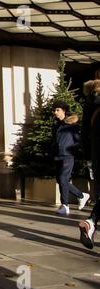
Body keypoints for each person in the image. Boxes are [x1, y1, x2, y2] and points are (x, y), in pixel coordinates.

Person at [52, 100, 90, 216]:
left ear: (63, 110)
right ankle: (82, 195)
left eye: (57, 110)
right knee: (60, 180)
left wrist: (70, 149)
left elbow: (78, 141)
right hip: (58, 156)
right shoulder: (56, 124)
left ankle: (65, 206)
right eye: (54, 110)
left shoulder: (72, 125)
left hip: (68, 156)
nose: (55, 112)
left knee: (63, 178)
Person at [79, 68, 100, 249]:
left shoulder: (90, 101)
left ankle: (91, 223)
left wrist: (89, 158)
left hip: (96, 153)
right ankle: (91, 222)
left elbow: (84, 132)